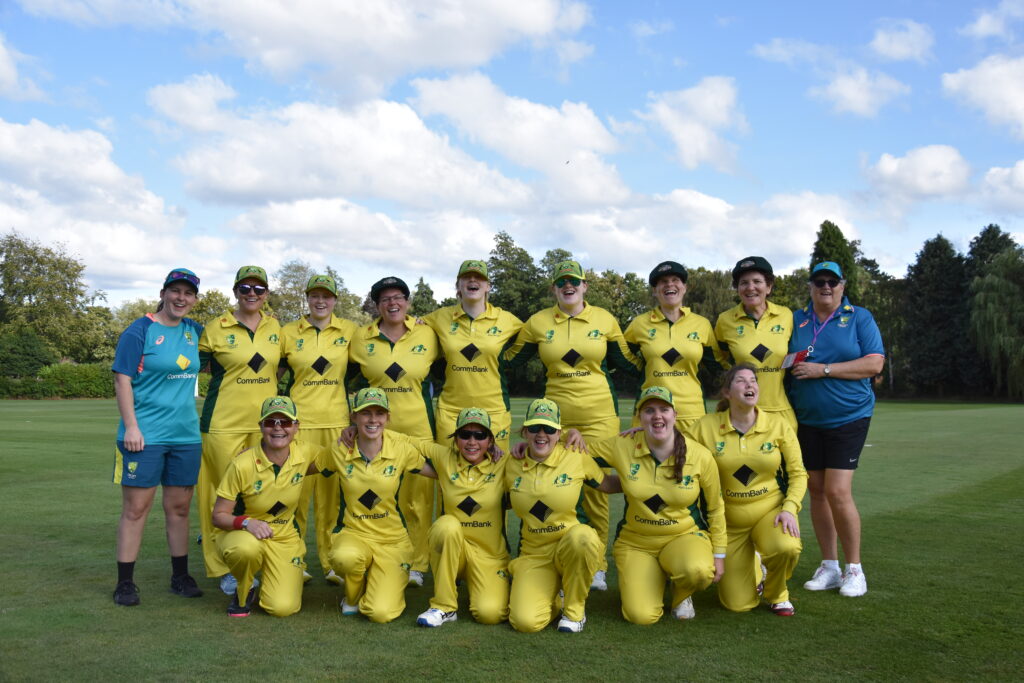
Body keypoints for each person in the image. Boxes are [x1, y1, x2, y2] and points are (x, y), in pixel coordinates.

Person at [503, 260, 642, 592]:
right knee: (554, 487)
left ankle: (597, 566)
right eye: (562, 281)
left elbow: (629, 362)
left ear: (584, 286)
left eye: (575, 281)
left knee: (595, 491)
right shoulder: (537, 322)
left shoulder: (604, 319)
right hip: (552, 421)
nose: (569, 286)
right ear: (554, 288)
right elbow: (506, 360)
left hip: (599, 417)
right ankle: (554, 555)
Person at [788, 261, 885, 597]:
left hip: (849, 415)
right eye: (819, 282)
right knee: (816, 490)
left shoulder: (859, 317)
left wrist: (823, 369)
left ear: (843, 286)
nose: (826, 287)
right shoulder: (797, 319)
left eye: (832, 281)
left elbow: (874, 363)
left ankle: (854, 569)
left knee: (837, 491)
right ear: (810, 286)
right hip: (806, 418)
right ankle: (829, 566)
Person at [588, 386, 725, 623]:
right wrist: (571, 436)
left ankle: (682, 592)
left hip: (684, 536)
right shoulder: (623, 444)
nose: (657, 415)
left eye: (664, 409)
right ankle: (655, 578)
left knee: (698, 571)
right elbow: (575, 455)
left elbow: (715, 508)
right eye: (649, 410)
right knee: (640, 616)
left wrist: (719, 554)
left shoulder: (699, 455)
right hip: (636, 541)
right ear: (639, 418)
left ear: (675, 415)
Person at [111, 268, 205, 606]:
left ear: (194, 299)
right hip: (144, 435)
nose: (181, 298)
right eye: (175, 291)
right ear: (163, 293)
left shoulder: (195, 332)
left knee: (179, 509)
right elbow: (122, 379)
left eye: (188, 293)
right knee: (136, 510)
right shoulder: (140, 330)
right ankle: (125, 583)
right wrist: (131, 427)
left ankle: (180, 577)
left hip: (185, 436)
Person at [688, 364, 806, 616]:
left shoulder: (778, 425)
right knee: (737, 604)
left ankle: (777, 593)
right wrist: (641, 434)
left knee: (786, 547)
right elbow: (675, 449)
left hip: (770, 513)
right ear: (727, 392)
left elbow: (798, 473)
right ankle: (755, 565)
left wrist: (789, 508)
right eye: (741, 381)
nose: (750, 384)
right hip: (728, 523)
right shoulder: (705, 426)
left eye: (753, 380)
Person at [346, 276, 439, 587]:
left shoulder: (428, 333)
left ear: (408, 302)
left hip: (417, 430)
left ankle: (418, 564)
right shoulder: (361, 338)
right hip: (376, 432)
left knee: (418, 502)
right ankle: (378, 557)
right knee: (376, 499)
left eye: (398, 297)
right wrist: (351, 421)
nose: (393, 303)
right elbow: (345, 381)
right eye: (385, 299)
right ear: (376, 305)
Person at [197, 265, 281, 594]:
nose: (251, 294)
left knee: (261, 494)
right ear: (235, 292)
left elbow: (282, 367)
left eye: (258, 289)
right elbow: (191, 365)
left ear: (266, 294)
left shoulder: (276, 327)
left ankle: (260, 559)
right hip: (223, 424)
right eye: (245, 288)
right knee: (221, 496)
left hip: (267, 426)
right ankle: (224, 567)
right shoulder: (215, 328)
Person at [322, 388, 438, 623]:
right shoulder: (339, 448)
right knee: (345, 557)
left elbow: (438, 470)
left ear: (388, 418)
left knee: (380, 613)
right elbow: (302, 464)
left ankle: (379, 580)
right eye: (366, 413)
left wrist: (484, 457)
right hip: (354, 534)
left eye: (379, 413)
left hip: (393, 542)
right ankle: (353, 597)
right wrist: (251, 457)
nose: (373, 420)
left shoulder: (401, 449)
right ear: (354, 417)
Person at [506, 399, 619, 633]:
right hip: (534, 554)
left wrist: (650, 482)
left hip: (571, 547)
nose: (541, 434)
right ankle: (556, 595)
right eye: (535, 428)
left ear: (559, 433)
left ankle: (574, 610)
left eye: (549, 429)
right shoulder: (511, 463)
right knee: (525, 622)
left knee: (583, 538)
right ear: (525, 431)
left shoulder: (575, 455)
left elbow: (607, 484)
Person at [212, 396, 326, 617]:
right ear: (261, 426)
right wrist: (247, 523)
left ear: (296, 427)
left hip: (284, 537)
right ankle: (244, 588)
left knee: (282, 608)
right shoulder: (241, 464)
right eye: (271, 422)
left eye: (285, 422)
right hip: (243, 535)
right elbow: (218, 516)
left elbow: (340, 455)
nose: (278, 428)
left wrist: (353, 431)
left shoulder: (306, 453)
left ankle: (276, 578)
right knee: (245, 550)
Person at [278, 274, 358, 585]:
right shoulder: (288, 332)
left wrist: (416, 322)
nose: (320, 301)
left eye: (326, 296)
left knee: (331, 502)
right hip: (298, 426)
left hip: (336, 425)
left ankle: (331, 563)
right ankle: (293, 560)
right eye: (315, 295)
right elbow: (273, 373)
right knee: (294, 498)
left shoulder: (350, 330)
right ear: (307, 298)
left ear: (335, 300)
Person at [415, 407, 510, 627]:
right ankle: (444, 606)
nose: (472, 442)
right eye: (465, 434)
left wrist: (571, 435)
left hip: (489, 556)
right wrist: (356, 430)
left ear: (490, 440)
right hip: (454, 549)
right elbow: (405, 441)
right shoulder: (443, 457)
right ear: (456, 439)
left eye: (480, 435)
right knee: (446, 526)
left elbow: (541, 448)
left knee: (490, 615)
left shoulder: (504, 463)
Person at [423, 259, 523, 454]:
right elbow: (410, 328)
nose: (472, 280)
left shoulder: (507, 319)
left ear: (488, 286)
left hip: (494, 411)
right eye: (466, 277)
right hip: (451, 412)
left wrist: (507, 361)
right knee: (448, 469)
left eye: (479, 277)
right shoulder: (439, 317)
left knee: (495, 469)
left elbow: (534, 339)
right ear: (458, 286)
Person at [625, 260, 717, 429]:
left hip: (692, 412)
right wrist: (642, 369)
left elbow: (717, 364)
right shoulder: (639, 324)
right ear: (655, 291)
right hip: (651, 411)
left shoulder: (702, 324)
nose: (669, 284)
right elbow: (621, 358)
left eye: (675, 280)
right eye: (663, 281)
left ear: (684, 287)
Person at [715, 256, 797, 430]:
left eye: (757, 281)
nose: (750, 287)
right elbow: (720, 361)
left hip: (780, 411)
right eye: (744, 283)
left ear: (768, 287)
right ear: (737, 288)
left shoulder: (786, 316)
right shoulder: (725, 320)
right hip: (741, 413)